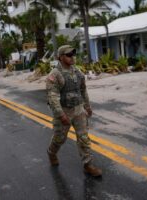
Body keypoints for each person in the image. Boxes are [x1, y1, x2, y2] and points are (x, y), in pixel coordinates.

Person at [46, 45, 102, 177]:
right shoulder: (55, 75)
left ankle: (88, 165)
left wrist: (87, 106)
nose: (72, 57)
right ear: (60, 57)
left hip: (78, 110)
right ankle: (51, 152)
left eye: (73, 54)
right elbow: (52, 96)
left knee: (83, 137)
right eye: (68, 55)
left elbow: (83, 90)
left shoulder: (78, 72)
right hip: (63, 111)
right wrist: (61, 114)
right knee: (59, 138)